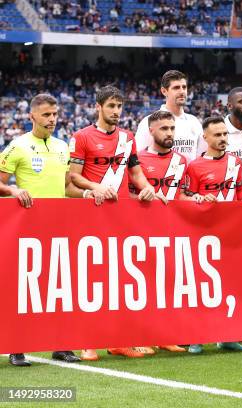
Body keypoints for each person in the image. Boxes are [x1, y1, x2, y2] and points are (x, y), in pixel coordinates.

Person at [0, 94, 92, 366]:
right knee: (26, 287)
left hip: (59, 227)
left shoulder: (63, 147)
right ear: (32, 117)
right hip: (27, 228)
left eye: (54, 114)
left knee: (61, 287)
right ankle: (17, 347)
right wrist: (14, 190)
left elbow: (66, 188)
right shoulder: (17, 146)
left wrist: (88, 195)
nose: (52, 119)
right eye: (46, 115)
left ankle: (61, 346)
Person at [69, 85, 160, 361]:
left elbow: (135, 172)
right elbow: (73, 177)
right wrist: (95, 187)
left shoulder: (127, 138)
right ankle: (87, 342)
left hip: (121, 216)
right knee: (91, 281)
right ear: (98, 107)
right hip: (91, 216)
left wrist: (147, 188)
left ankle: (119, 341)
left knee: (120, 280)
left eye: (119, 107)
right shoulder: (81, 137)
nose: (116, 111)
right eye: (111, 106)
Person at [182, 116, 242, 353]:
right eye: (218, 135)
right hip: (204, 236)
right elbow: (185, 198)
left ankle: (228, 336)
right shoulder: (194, 167)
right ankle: (197, 337)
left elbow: (241, 195)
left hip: (231, 236)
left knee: (232, 287)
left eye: (225, 134)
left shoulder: (235, 162)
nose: (223, 139)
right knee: (203, 288)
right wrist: (198, 199)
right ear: (206, 138)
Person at [129, 110, 189, 355]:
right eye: (164, 129)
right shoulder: (138, 160)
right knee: (141, 286)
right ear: (151, 130)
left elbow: (182, 194)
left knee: (167, 286)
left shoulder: (182, 161)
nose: (169, 133)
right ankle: (138, 336)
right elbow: (127, 194)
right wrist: (138, 196)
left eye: (172, 128)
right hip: (141, 230)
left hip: (172, 230)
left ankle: (165, 336)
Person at [135, 70, 205, 163]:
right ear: (164, 91)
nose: (182, 91)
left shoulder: (194, 122)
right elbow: (138, 158)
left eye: (184, 87)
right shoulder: (149, 121)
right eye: (176, 88)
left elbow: (200, 160)